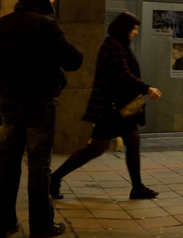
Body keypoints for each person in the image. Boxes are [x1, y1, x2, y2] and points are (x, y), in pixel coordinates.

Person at [0, 0, 83, 238]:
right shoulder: (46, 25)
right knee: (39, 165)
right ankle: (41, 225)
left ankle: (3, 224)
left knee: (7, 163)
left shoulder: (0, 26)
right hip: (40, 104)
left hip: (9, 103)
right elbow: (74, 60)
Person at [50, 12, 162, 200]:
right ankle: (54, 178)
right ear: (124, 29)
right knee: (97, 148)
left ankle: (137, 187)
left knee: (131, 142)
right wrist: (147, 88)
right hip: (110, 109)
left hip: (119, 108)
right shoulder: (112, 46)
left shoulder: (118, 45)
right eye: (133, 29)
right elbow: (122, 74)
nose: (135, 32)